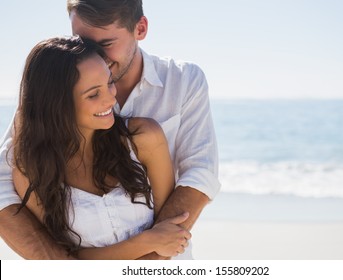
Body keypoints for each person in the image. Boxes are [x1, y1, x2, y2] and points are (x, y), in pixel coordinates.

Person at [0, 0, 220, 260]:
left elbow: (199, 172)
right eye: (82, 42)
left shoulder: (183, 81)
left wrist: (152, 261)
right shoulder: (53, 101)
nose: (95, 56)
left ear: (140, 29)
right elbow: (4, 180)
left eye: (105, 44)